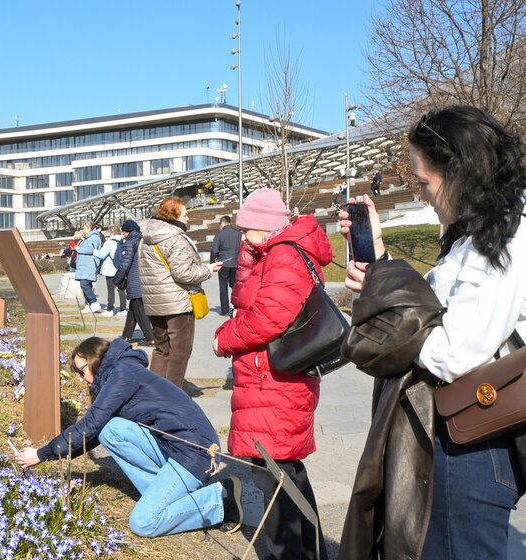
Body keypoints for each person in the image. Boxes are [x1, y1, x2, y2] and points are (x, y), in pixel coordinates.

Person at [338, 105, 526, 559]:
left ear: (459, 172)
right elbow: (430, 311)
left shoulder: (505, 239)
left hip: (469, 444)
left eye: (424, 182)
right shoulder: (478, 235)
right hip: (452, 436)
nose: (421, 194)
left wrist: (389, 299)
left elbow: (450, 352)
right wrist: (380, 265)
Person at [14, 336, 243, 537]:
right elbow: (96, 430)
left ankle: (220, 499)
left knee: (143, 522)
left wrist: (42, 453)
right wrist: (54, 455)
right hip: (173, 448)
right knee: (111, 430)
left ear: (94, 359)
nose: (81, 379)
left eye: (81, 371)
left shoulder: (122, 373)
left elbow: (91, 423)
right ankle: (170, 494)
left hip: (196, 453)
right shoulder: (119, 371)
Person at [212, 188, 333, 560]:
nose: (242, 236)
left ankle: (292, 555)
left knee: (274, 479)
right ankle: (310, 553)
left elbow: (267, 318)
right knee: (286, 473)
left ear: (264, 226)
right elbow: (249, 300)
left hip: (273, 383)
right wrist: (251, 256)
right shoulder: (279, 252)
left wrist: (223, 339)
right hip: (274, 380)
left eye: (246, 229)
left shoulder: (283, 255)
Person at [139, 196, 222, 387]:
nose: (188, 218)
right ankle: (172, 395)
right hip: (177, 302)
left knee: (162, 350)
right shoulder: (175, 239)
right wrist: (208, 269)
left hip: (154, 303)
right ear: (173, 216)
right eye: (185, 214)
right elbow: (183, 273)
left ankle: (155, 391)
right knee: (180, 351)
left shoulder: (146, 238)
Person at [113, 219, 154, 346]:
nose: (123, 235)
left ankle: (150, 338)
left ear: (128, 232)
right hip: (146, 278)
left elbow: (124, 265)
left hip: (135, 280)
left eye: (124, 232)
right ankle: (127, 335)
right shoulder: (143, 240)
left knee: (140, 310)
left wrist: (116, 280)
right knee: (133, 308)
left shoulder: (129, 243)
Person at [210, 215, 242, 316]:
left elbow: (214, 250)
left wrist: (212, 262)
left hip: (223, 264)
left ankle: (225, 310)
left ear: (222, 223)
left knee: (223, 287)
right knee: (235, 286)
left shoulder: (220, 234)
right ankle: (237, 308)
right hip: (236, 263)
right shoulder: (238, 234)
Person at [94, 225, 127, 318]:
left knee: (110, 290)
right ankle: (123, 309)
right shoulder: (123, 241)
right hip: (120, 269)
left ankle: (110, 309)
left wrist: (94, 251)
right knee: (121, 289)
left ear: (112, 232)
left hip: (110, 269)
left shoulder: (109, 242)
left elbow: (101, 255)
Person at [74, 221, 103, 313]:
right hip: (85, 265)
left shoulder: (94, 237)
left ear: (89, 228)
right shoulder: (87, 238)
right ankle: (88, 305)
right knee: (87, 285)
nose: (83, 230)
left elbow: (91, 249)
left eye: (85, 228)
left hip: (89, 264)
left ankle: (94, 302)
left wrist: (78, 249)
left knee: (84, 284)